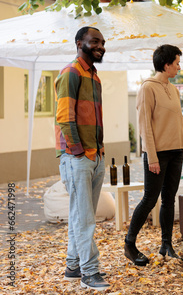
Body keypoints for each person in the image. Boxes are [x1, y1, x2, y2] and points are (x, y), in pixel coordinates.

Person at [124, 44, 183, 266]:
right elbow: (144, 126)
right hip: (157, 155)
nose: (179, 67)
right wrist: (151, 157)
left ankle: (166, 245)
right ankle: (130, 244)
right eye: (177, 63)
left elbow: (179, 124)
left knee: (169, 199)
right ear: (166, 64)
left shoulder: (173, 89)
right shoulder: (147, 88)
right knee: (150, 198)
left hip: (175, 154)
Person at [55, 26, 110, 291]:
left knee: (81, 214)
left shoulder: (94, 76)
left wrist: (97, 152)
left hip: (94, 155)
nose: (101, 45)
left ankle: (73, 266)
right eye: (95, 41)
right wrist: (78, 152)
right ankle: (90, 272)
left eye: (102, 42)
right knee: (85, 218)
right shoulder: (71, 73)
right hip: (78, 157)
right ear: (80, 43)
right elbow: (65, 117)